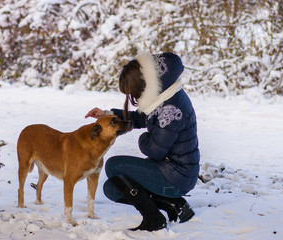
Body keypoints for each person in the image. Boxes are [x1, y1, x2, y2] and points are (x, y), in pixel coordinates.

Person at [85, 52, 200, 231]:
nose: (133, 97)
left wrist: (143, 139)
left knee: (114, 166)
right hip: (170, 169)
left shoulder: (171, 108)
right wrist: (107, 115)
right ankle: (174, 205)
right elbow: (139, 118)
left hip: (178, 175)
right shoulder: (163, 95)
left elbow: (155, 151)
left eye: (132, 92)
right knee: (112, 188)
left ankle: (154, 219)